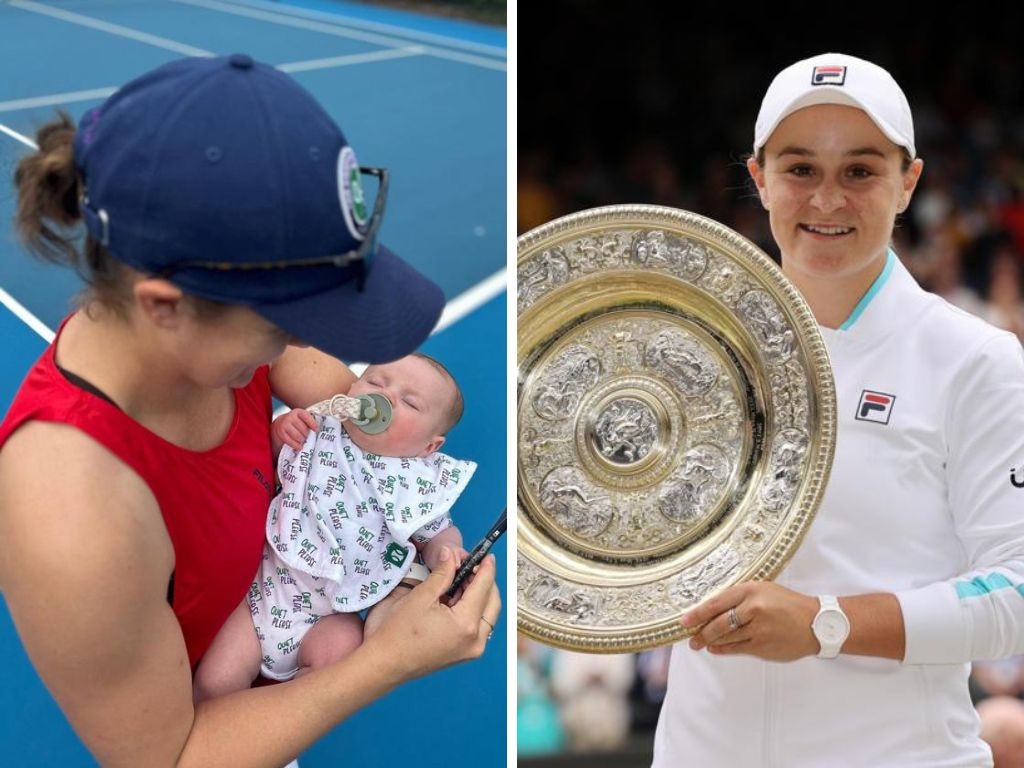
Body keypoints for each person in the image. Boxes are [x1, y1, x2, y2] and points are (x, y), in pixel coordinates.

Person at [0, 53, 500, 768]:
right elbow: (168, 758)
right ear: (165, 307)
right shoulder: (70, 516)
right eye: (286, 321)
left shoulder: (221, 339)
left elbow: (357, 424)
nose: (308, 342)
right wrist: (386, 660)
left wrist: (405, 579)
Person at [652, 52, 1024, 767]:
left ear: (908, 182)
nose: (826, 201)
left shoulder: (975, 360)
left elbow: (1015, 592)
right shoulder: (682, 350)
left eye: (860, 171)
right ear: (759, 178)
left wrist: (827, 623)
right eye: (800, 169)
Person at [194, 353, 475, 698]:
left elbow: (438, 531)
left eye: (409, 402)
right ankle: (227, 731)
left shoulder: (417, 485)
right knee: (216, 683)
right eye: (375, 382)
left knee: (342, 655)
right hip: (262, 590)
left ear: (430, 446)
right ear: (352, 388)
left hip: (330, 612)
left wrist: (447, 554)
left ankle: (280, 729)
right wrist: (281, 433)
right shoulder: (320, 427)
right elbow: (265, 462)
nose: (385, 397)